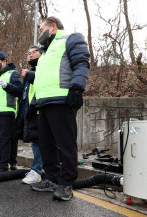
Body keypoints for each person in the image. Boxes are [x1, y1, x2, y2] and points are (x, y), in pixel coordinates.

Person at [30, 16, 90, 201]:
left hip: (61, 102)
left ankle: (66, 184)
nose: (40, 33)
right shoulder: (46, 51)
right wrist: (35, 102)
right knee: (46, 144)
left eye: (41, 29)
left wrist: (77, 88)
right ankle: (51, 179)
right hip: (44, 103)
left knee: (65, 144)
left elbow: (81, 63)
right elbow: (43, 78)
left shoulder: (70, 39)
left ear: (53, 27)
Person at [11, 46, 44, 184]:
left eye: (33, 52)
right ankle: (39, 169)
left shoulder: (43, 68)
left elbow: (45, 81)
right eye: (28, 53)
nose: (29, 55)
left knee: (38, 143)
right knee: (34, 142)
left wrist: (31, 76)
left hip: (39, 111)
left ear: (41, 53)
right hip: (30, 113)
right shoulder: (31, 72)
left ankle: (37, 171)